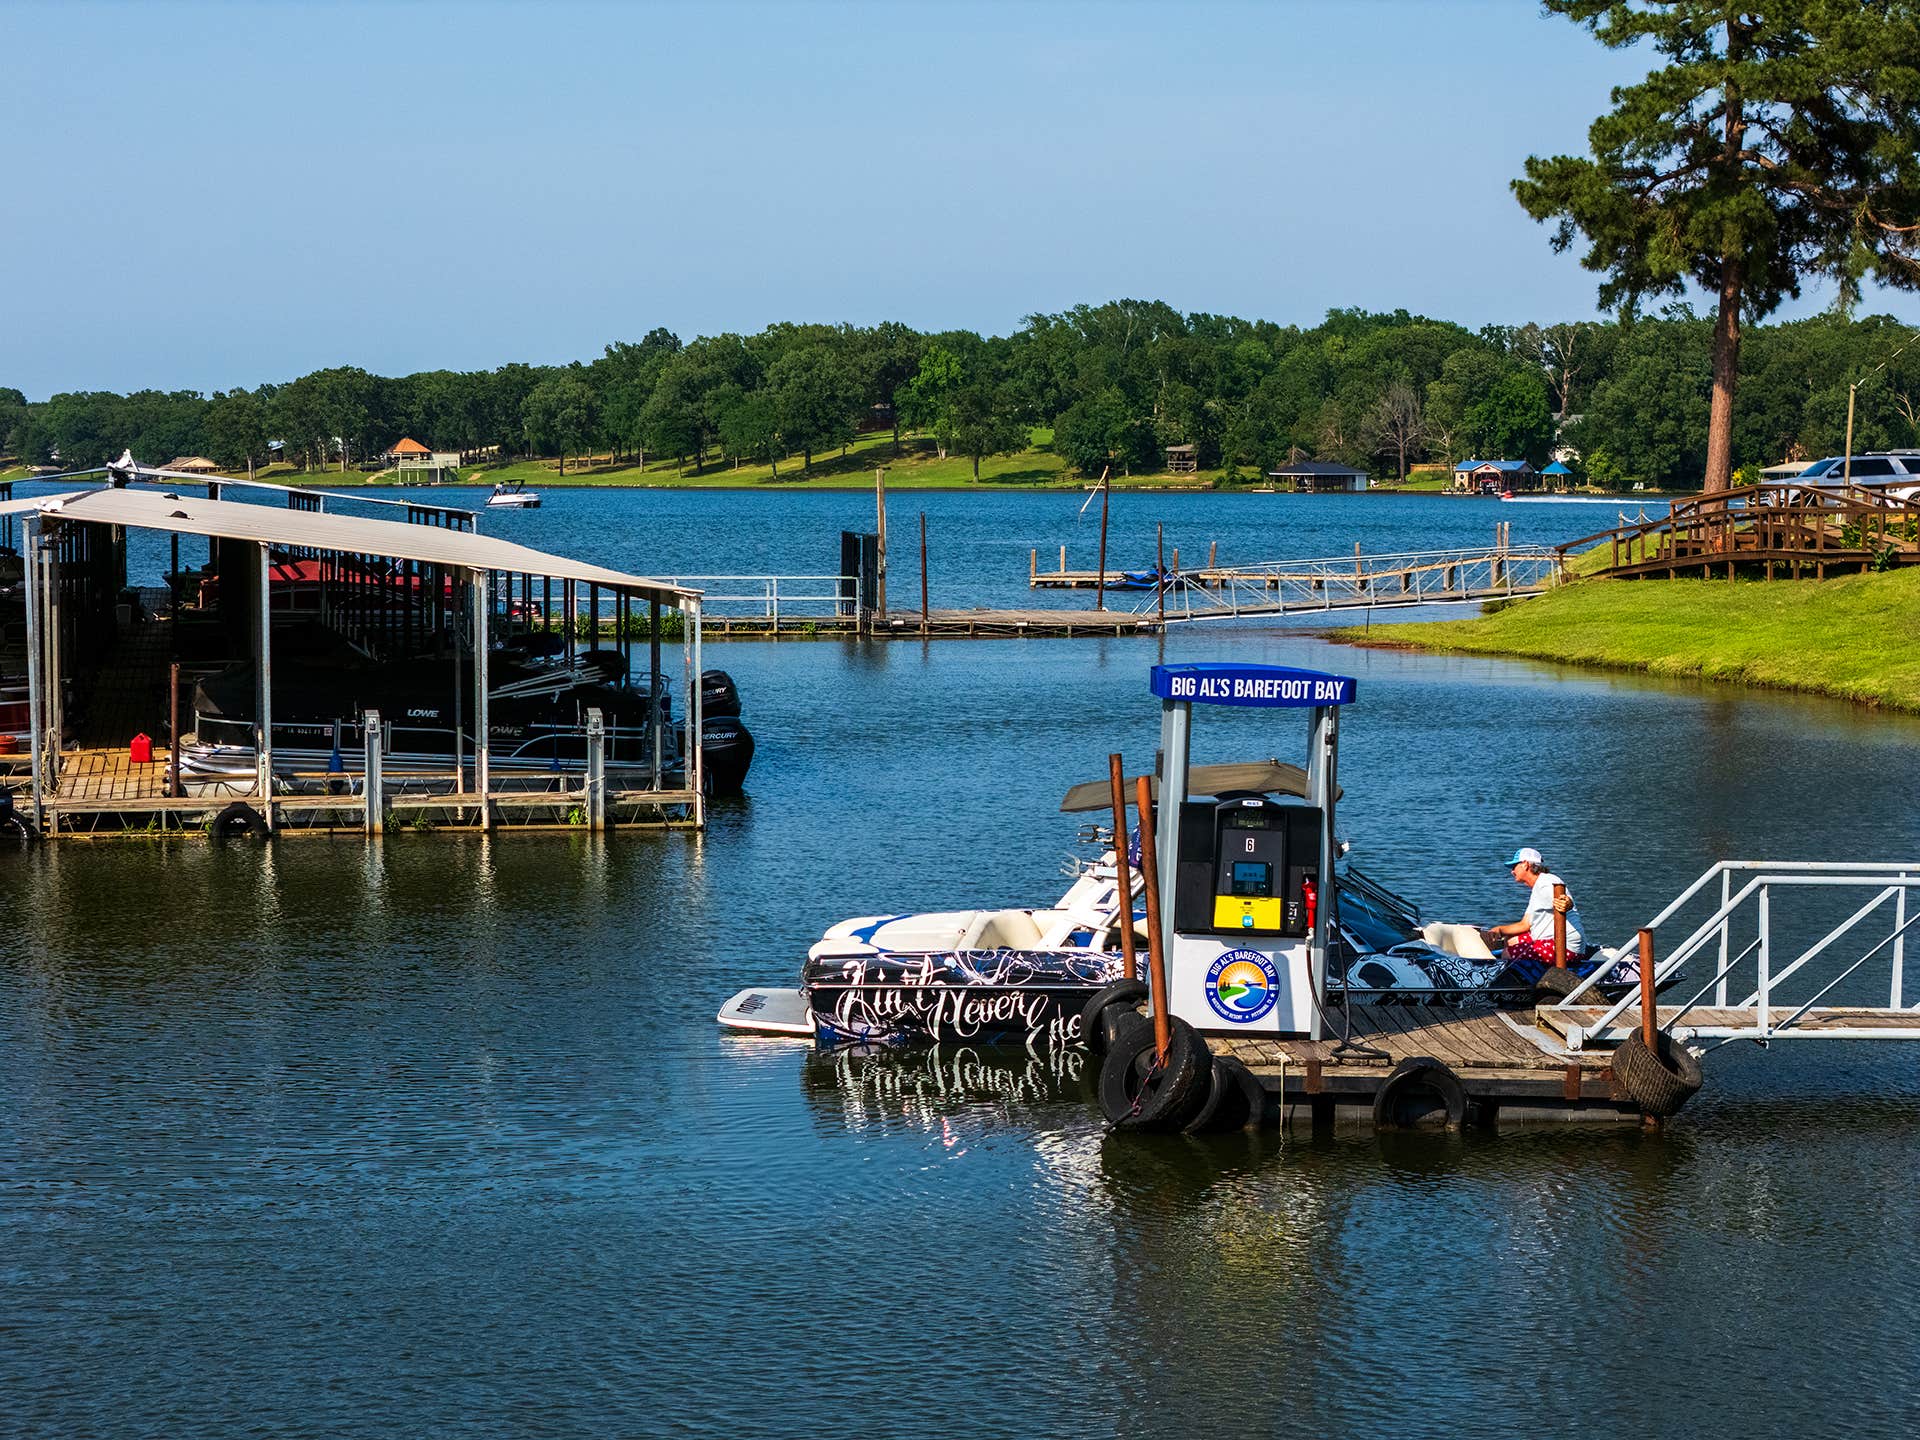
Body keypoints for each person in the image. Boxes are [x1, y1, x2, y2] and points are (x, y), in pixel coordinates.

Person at [1481, 846, 1584, 975]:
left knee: (1507, 953)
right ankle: (1527, 973)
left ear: (1525, 865)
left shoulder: (1546, 883)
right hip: (1552, 939)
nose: (1512, 871)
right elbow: (1525, 924)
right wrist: (1499, 930)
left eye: (1514, 867)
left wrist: (1567, 903)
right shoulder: (1537, 887)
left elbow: (1564, 900)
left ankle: (1518, 985)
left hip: (1567, 947)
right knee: (1511, 940)